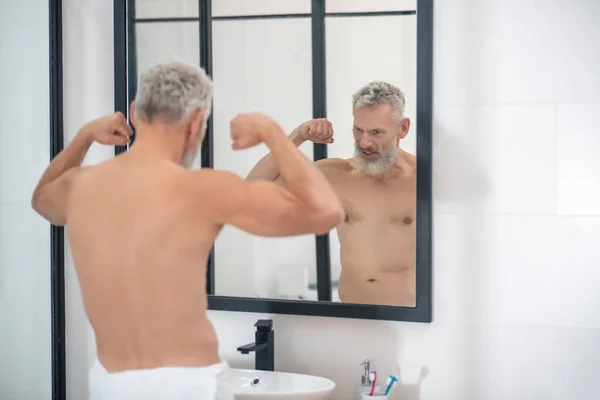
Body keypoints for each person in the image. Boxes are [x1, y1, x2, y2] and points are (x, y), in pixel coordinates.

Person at [31, 61, 343, 400]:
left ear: (135, 112)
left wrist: (86, 135)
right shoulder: (203, 189)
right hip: (186, 384)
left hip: (110, 382)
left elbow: (41, 199)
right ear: (196, 122)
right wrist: (273, 132)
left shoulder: (83, 185)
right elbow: (326, 211)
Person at [247, 81, 416, 307]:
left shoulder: (423, 179)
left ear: (402, 128)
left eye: (376, 132)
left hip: (411, 326)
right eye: (358, 130)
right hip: (348, 320)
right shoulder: (338, 175)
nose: (364, 142)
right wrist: (297, 136)